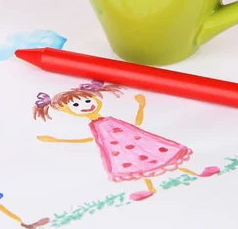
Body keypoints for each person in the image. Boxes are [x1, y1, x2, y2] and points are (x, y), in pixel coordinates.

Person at [34, 80, 220, 201]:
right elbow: (87, 140)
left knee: (166, 159)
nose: (85, 106)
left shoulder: (111, 119)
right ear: (68, 111)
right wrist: (57, 140)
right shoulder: (95, 127)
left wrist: (141, 106)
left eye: (86, 100)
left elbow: (136, 124)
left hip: (142, 143)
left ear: (96, 99)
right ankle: (150, 189)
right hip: (120, 152)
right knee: (140, 167)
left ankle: (197, 173)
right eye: (76, 105)